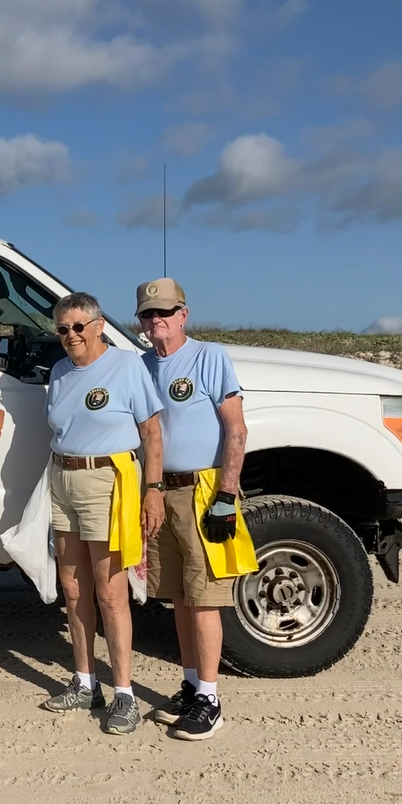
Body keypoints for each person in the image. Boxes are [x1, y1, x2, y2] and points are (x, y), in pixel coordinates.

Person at [39, 291, 163, 736]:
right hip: (62, 479)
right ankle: (85, 681)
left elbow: (151, 433)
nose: (70, 336)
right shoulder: (59, 372)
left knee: (111, 593)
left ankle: (124, 694)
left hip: (108, 483)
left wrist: (153, 490)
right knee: (73, 588)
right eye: (62, 328)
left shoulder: (126, 366)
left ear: (98, 326)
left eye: (78, 326)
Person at [136, 277, 250, 742]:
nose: (156, 320)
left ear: (184, 314)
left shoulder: (209, 357)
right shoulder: (140, 366)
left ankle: (210, 698)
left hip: (205, 489)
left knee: (204, 598)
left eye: (165, 312)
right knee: (179, 598)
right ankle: (188, 685)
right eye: (148, 314)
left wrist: (227, 491)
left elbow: (236, 429)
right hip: (161, 490)